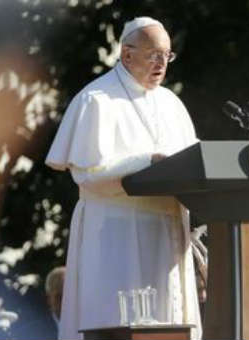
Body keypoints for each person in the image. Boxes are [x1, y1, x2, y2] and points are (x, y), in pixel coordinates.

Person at [45, 17, 201, 339]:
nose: (161, 63)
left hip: (169, 234)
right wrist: (147, 161)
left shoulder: (173, 104)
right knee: (117, 322)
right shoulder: (96, 100)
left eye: (167, 55)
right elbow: (87, 176)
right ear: (126, 54)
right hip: (115, 235)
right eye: (153, 54)